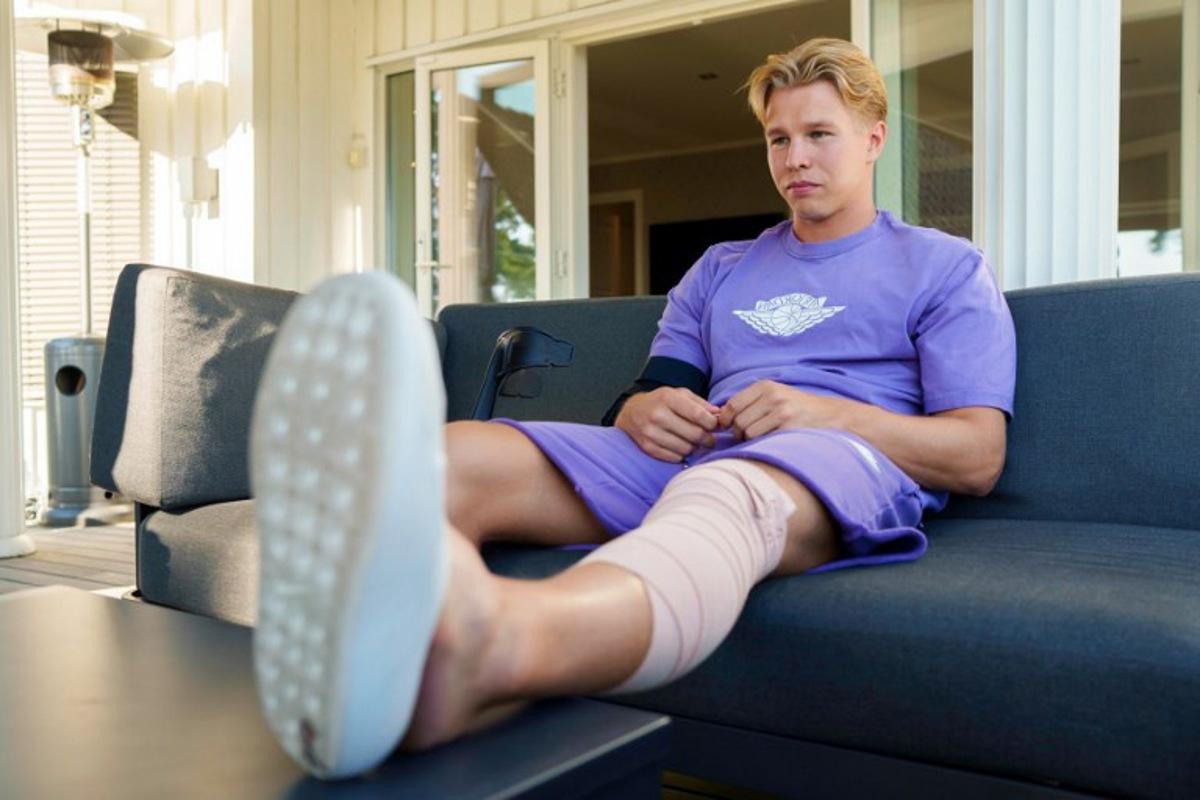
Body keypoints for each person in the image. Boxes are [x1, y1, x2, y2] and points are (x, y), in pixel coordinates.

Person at [248, 37, 1016, 780]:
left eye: (820, 134)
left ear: (875, 138)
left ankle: (494, 645)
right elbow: (655, 387)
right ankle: (374, 661)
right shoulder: (723, 268)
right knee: (452, 456)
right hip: (697, 454)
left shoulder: (944, 265)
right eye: (778, 139)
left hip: (833, 468)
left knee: (723, 492)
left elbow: (977, 456)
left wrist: (825, 414)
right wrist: (641, 411)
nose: (796, 158)